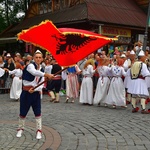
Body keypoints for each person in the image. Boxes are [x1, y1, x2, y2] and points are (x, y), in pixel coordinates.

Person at [16, 50, 54, 139]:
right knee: (23, 112)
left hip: (35, 93)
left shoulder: (42, 69)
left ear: (42, 59)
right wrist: (46, 75)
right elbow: (34, 72)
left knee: (37, 112)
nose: (38, 59)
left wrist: (36, 89)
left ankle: (39, 131)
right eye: (36, 57)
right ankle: (20, 129)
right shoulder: (30, 66)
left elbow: (41, 84)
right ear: (33, 58)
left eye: (39, 57)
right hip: (26, 93)